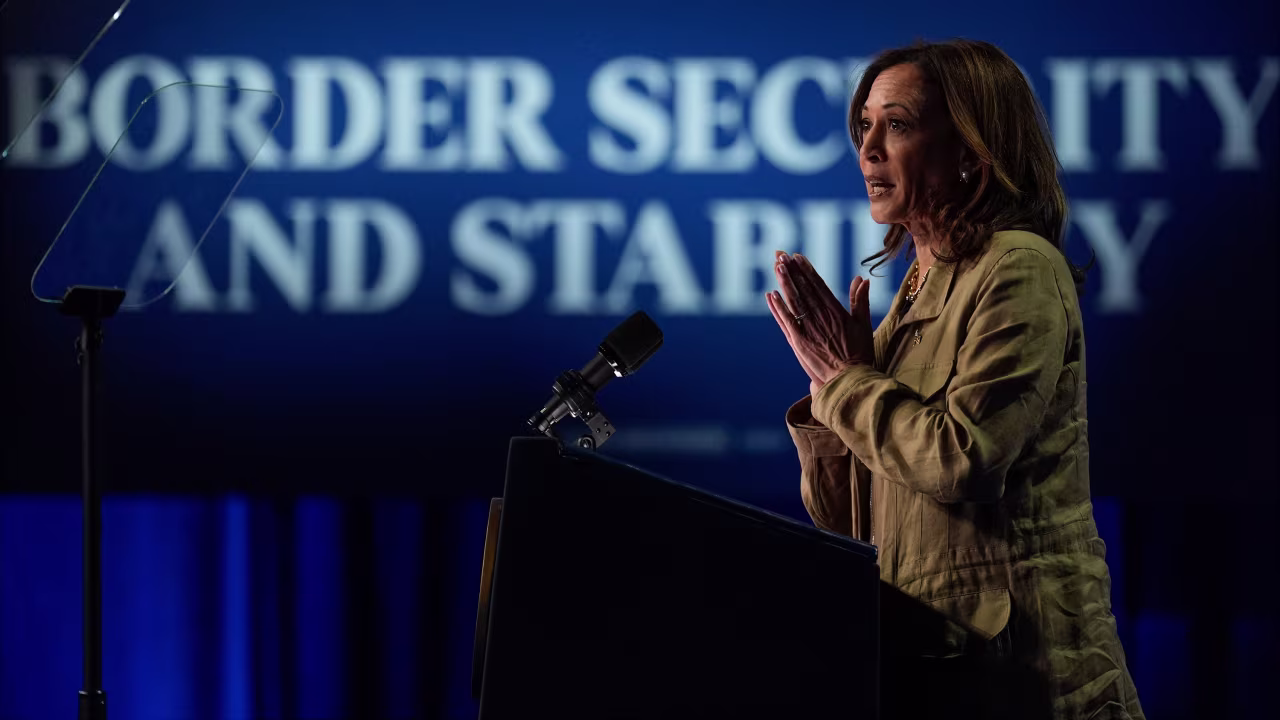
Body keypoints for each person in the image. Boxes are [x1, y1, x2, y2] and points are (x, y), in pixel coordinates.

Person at [766, 39, 1145, 720]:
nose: (870, 148)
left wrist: (847, 380)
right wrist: (831, 387)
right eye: (865, 126)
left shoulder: (1017, 268)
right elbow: (851, 520)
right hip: (935, 673)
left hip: (1030, 683)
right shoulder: (920, 284)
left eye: (899, 124)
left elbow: (963, 462)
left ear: (974, 149)